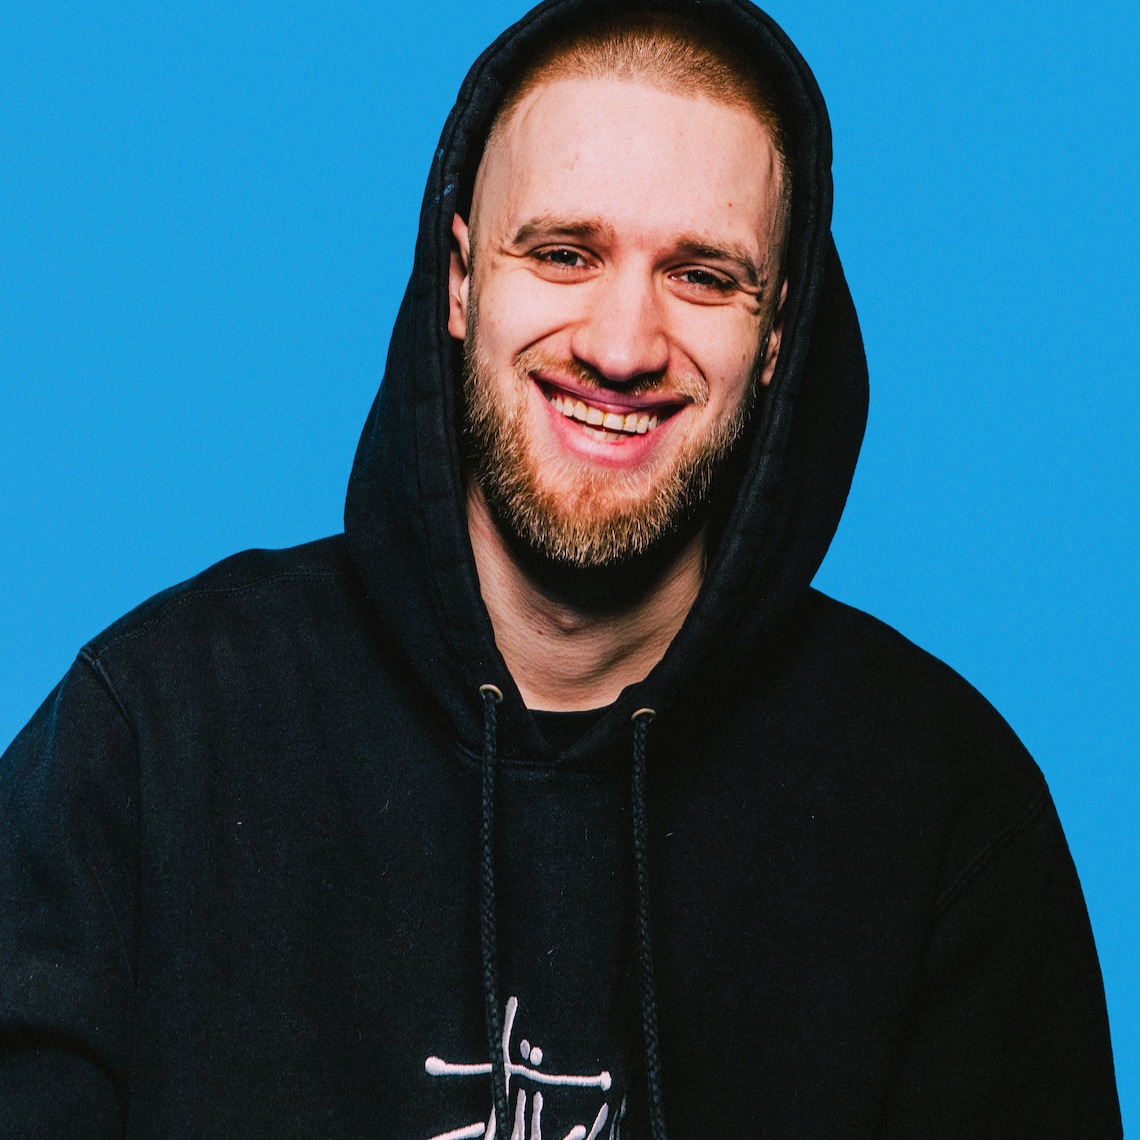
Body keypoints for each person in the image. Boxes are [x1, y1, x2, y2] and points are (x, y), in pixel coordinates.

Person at [0, 0, 1121, 1136]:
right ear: (459, 279)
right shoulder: (149, 740)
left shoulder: (945, 815)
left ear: (777, 337)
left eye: (702, 276)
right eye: (564, 254)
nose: (622, 347)